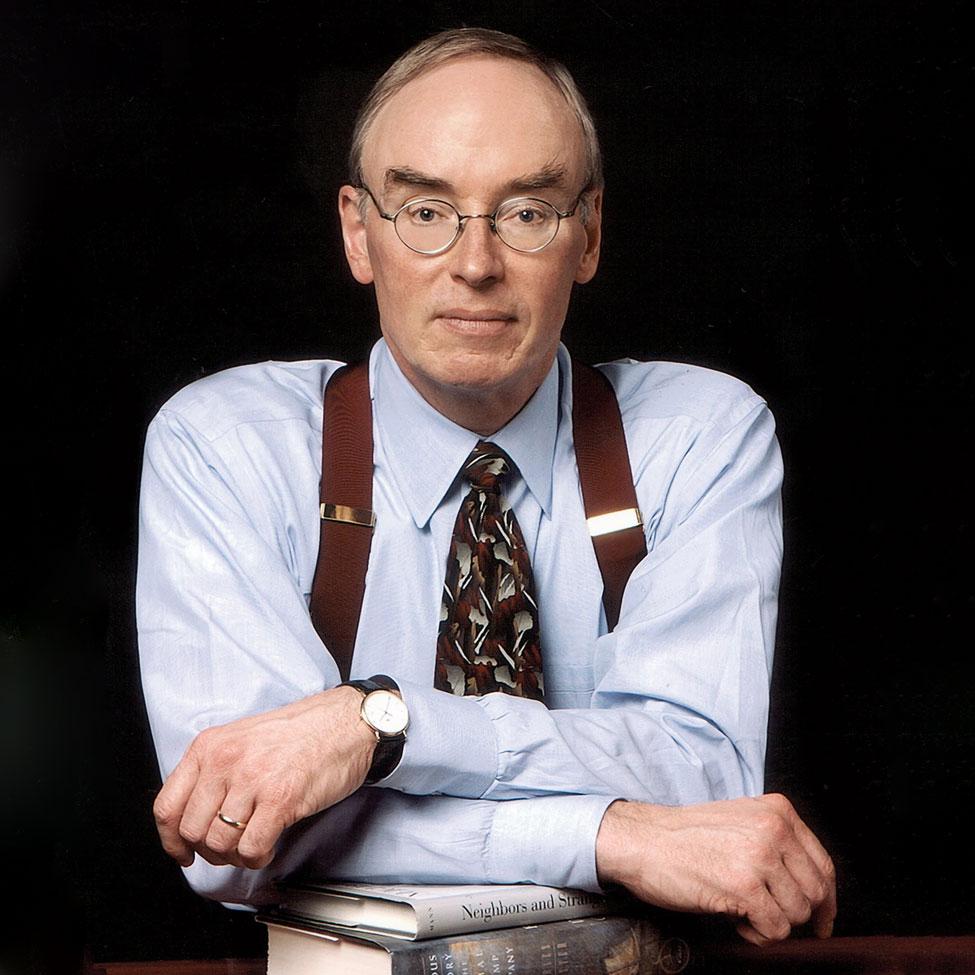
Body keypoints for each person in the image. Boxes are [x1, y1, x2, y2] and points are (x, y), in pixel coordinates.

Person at [138, 28, 836, 946]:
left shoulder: (698, 434)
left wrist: (375, 731)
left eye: (527, 211)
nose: (474, 262)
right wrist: (608, 833)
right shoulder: (228, 444)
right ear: (359, 232)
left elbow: (699, 778)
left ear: (587, 235)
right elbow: (237, 838)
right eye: (426, 210)